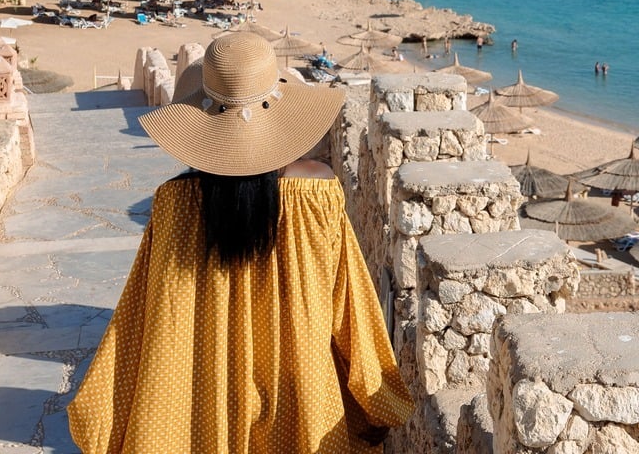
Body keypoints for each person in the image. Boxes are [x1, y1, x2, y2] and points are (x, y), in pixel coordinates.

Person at [68, 33, 414, 453]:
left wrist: (106, 415)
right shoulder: (318, 194)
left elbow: (144, 321)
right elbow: (351, 307)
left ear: (202, 117)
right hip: (300, 404)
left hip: (200, 411)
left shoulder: (175, 205)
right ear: (280, 112)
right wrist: (378, 403)